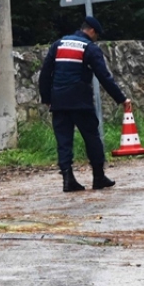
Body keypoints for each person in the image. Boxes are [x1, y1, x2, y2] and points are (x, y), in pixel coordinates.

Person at [38, 15, 128, 193]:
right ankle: (98, 177)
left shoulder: (59, 44)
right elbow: (104, 77)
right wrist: (121, 99)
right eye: (97, 35)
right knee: (91, 137)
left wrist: (47, 98)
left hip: (59, 102)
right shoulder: (90, 48)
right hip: (80, 101)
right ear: (92, 31)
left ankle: (68, 179)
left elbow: (45, 74)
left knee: (64, 141)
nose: (96, 38)